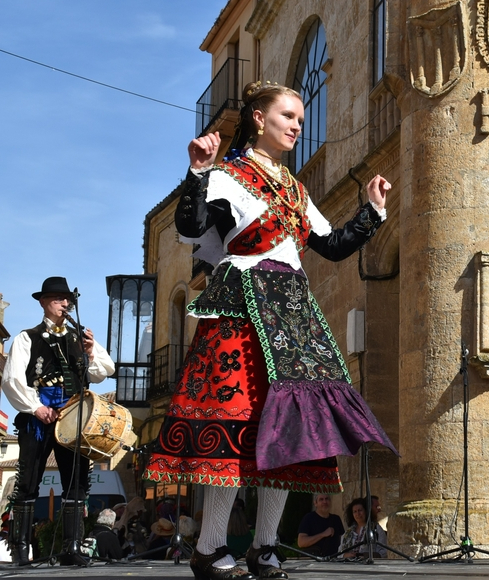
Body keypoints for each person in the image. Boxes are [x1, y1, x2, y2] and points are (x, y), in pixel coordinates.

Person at [143, 81, 398, 580]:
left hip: (292, 318)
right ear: (259, 118)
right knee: (237, 429)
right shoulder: (229, 177)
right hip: (241, 311)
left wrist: (372, 210)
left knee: (289, 433)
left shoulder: (297, 191)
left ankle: (264, 548)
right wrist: (196, 170)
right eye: (289, 115)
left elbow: (334, 245)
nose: (299, 125)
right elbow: (192, 225)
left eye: (301, 118)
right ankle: (211, 547)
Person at [1, 276, 115, 566]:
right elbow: (12, 380)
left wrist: (90, 352)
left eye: (67, 300)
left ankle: (72, 546)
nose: (65, 303)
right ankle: (21, 548)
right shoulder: (27, 337)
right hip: (38, 418)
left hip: (72, 419)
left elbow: (105, 370)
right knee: (28, 482)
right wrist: (37, 408)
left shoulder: (79, 338)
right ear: (43, 302)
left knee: (76, 481)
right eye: (57, 298)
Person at [296, 493, 343, 558]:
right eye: (321, 499)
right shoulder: (309, 518)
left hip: (333, 561)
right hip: (314, 562)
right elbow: (301, 543)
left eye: (327, 499)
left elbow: (342, 541)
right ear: (315, 503)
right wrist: (323, 534)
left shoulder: (336, 519)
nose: (325, 502)